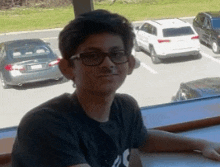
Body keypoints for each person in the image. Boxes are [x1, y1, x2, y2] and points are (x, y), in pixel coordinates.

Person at [11, 9, 220, 167]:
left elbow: (144, 139)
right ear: (67, 68)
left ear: (129, 64)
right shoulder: (45, 125)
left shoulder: (124, 107)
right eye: (92, 56)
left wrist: (201, 144)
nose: (108, 64)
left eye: (117, 54)